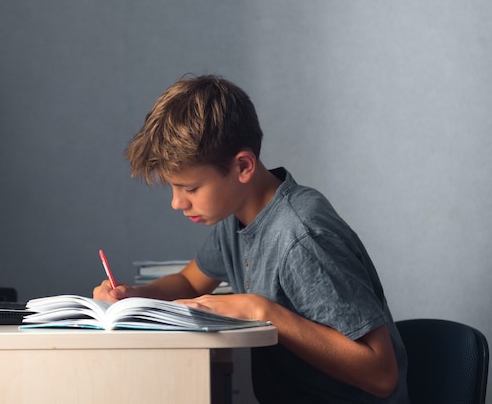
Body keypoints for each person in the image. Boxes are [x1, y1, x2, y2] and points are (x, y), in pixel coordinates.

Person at [93, 75, 410, 404]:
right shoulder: (239, 216)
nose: (177, 203)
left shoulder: (301, 236)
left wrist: (258, 309)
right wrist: (134, 296)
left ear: (243, 166)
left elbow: (381, 375)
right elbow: (189, 282)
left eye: (190, 189)